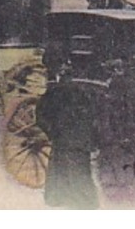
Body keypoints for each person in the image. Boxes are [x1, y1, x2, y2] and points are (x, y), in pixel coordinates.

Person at [36, 61, 98, 208]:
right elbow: (95, 117)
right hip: (80, 141)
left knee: (61, 173)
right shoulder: (86, 92)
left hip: (62, 140)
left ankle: (60, 200)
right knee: (80, 173)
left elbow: (40, 116)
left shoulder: (54, 92)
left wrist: (52, 132)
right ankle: (83, 203)